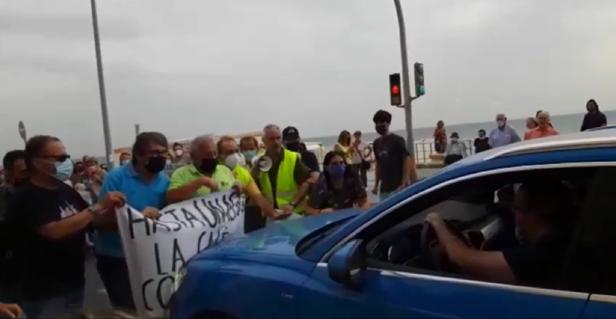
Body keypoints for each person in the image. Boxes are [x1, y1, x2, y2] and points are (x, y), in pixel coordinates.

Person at [7, 135, 125, 318]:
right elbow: (53, 231)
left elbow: (89, 220)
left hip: (73, 282)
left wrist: (131, 217)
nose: (67, 162)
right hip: (43, 291)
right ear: (37, 162)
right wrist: (98, 207)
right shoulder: (27, 197)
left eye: (67, 156)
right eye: (60, 158)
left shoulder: (64, 190)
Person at [424, 179, 573, 287]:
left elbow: (460, 257)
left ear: (541, 210)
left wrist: (437, 222)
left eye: (517, 208)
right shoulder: (562, 241)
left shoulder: (541, 255)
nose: (513, 214)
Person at [94, 132, 170, 312]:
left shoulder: (165, 180)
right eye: (154, 153)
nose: (160, 158)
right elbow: (99, 220)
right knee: (127, 310)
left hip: (150, 256)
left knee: (155, 307)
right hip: (116, 257)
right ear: (138, 155)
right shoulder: (116, 178)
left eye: (163, 153)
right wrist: (136, 218)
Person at [217, 136, 289, 231]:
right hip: (220, 225)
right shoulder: (214, 173)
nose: (234, 155)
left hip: (240, 222)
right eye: (230, 152)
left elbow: (259, 198)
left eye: (236, 151)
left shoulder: (242, 172)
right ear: (219, 155)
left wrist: (274, 214)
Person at [252, 124, 311, 215]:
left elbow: (306, 183)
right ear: (264, 141)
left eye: (278, 138)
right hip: (271, 214)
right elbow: (254, 187)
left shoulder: (292, 158)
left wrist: (293, 204)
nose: (276, 142)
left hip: (293, 213)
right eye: (271, 139)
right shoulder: (260, 161)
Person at [167, 135, 237, 204]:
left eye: (215, 153)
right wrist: (199, 183)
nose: (212, 157)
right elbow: (171, 198)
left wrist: (236, 187)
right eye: (208, 154)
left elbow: (233, 188)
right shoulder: (181, 173)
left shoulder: (224, 170)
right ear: (193, 156)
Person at [0, 150, 28, 302]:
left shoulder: (42, 194)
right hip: (12, 277)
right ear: (8, 173)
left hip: (48, 279)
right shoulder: (4, 198)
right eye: (23, 172)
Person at [304, 151, 369, 215]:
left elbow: (364, 201)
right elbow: (308, 210)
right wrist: (320, 212)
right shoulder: (322, 183)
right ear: (326, 167)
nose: (339, 166)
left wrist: (362, 214)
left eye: (341, 162)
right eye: (334, 164)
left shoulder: (353, 177)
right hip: (329, 218)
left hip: (348, 215)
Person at [371, 110, 416, 201]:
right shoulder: (376, 143)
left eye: (381, 122)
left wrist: (404, 182)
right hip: (384, 188)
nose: (378, 125)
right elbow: (378, 164)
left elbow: (406, 160)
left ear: (388, 123)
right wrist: (376, 185)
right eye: (376, 123)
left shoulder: (397, 140)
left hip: (397, 187)